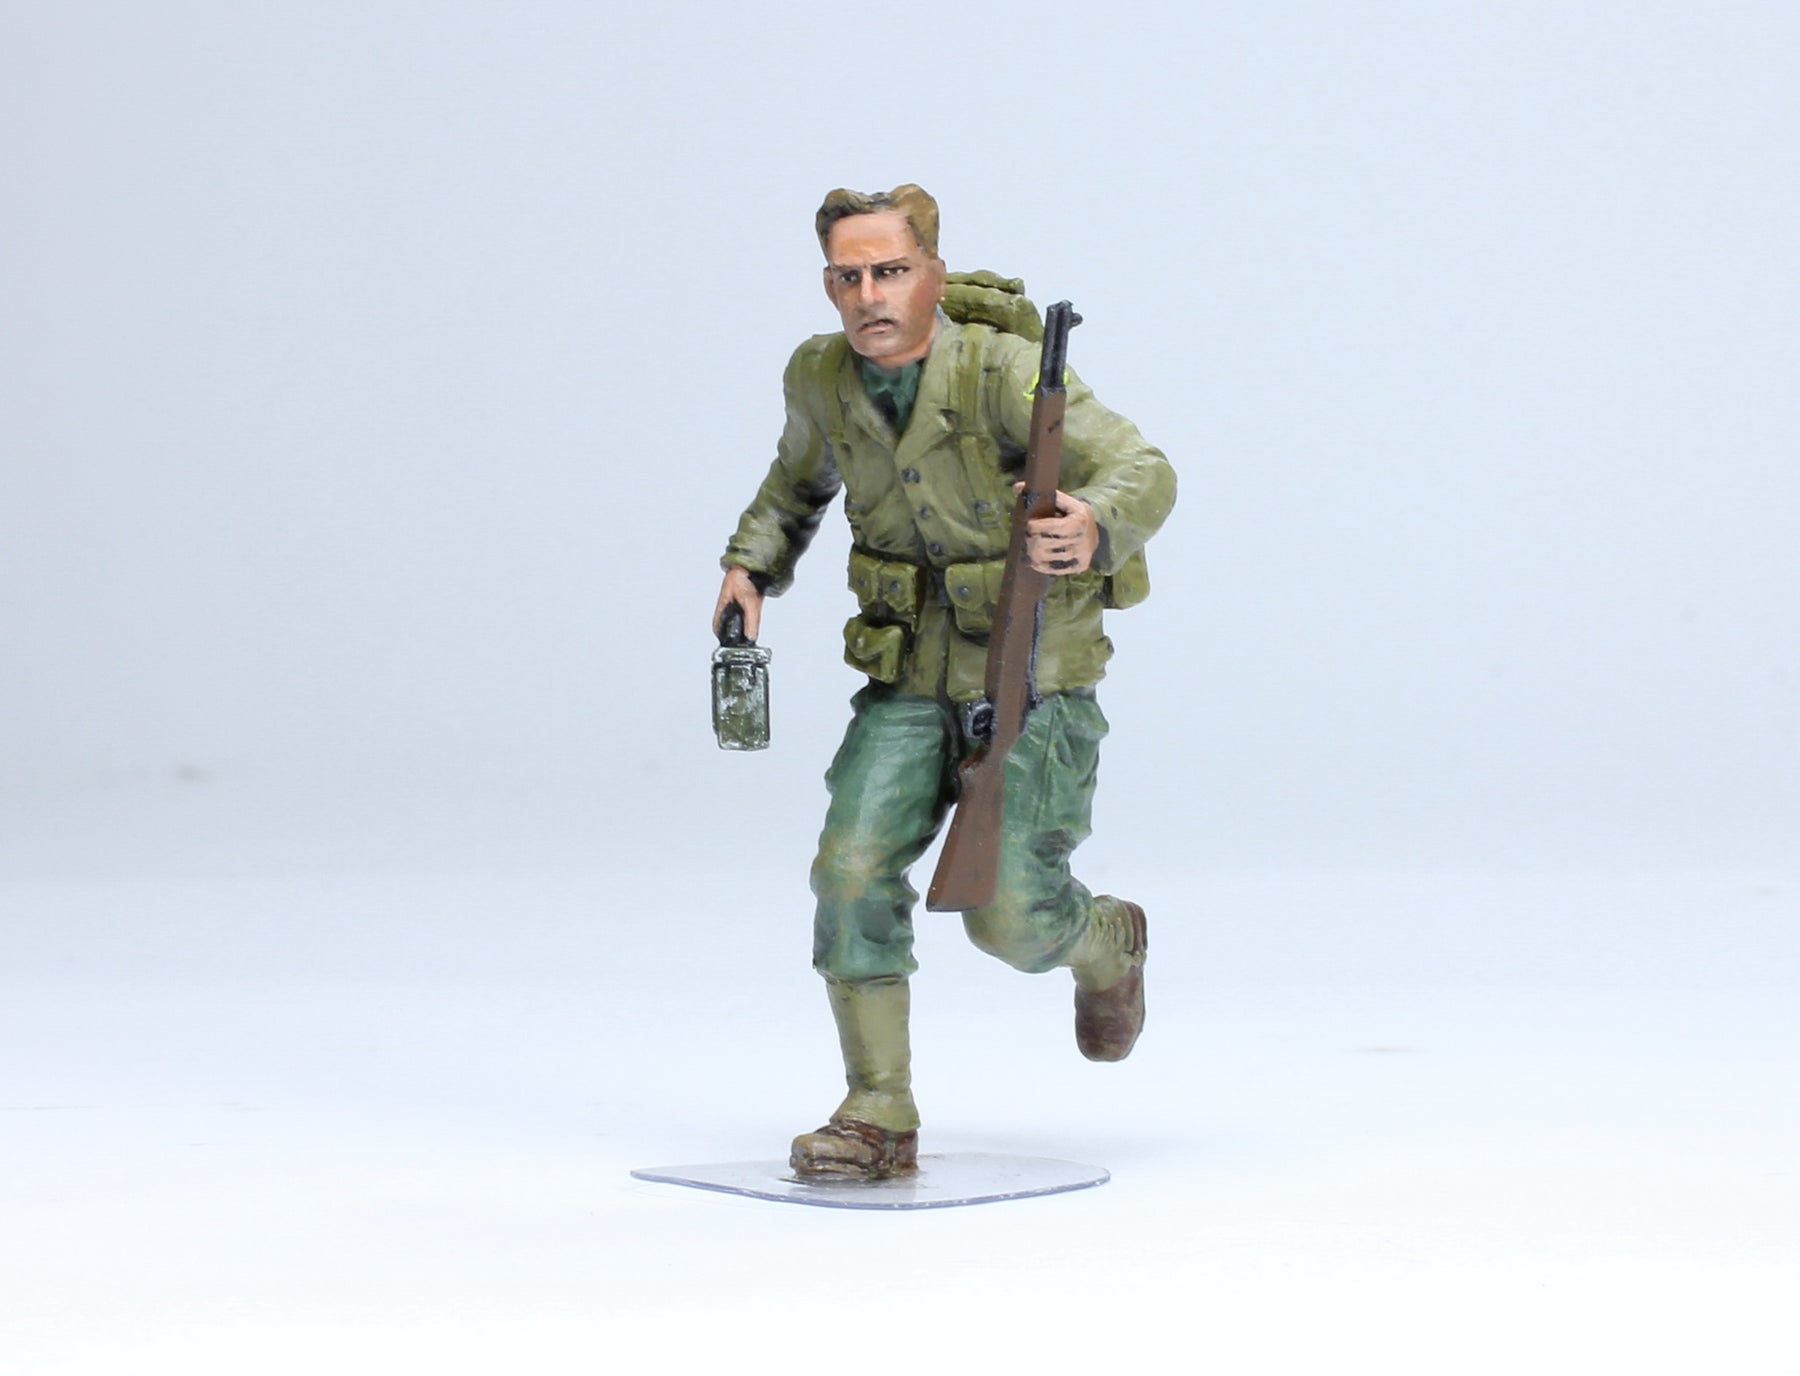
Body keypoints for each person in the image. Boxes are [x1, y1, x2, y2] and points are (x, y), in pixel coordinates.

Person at [712, 184, 1175, 1180]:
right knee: (848, 874)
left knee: (1013, 921)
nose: (870, 295)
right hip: (909, 676)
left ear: (932, 274)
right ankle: (877, 1110)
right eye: (850, 276)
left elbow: (1142, 467)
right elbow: (795, 482)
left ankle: (1107, 940)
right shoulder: (821, 377)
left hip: (1034, 676)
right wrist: (751, 564)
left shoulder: (1000, 371)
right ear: (829, 285)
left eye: (891, 271)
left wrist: (1092, 521)